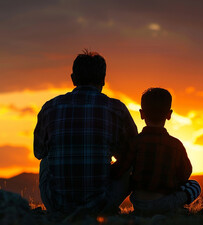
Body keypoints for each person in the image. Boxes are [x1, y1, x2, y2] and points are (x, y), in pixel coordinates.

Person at [34, 50, 138, 216]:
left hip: (57, 205)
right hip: (102, 205)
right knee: (131, 161)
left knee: (46, 159)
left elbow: (38, 152)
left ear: (73, 79)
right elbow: (133, 151)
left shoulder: (50, 107)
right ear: (103, 79)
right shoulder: (116, 109)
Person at [111, 88, 201, 216]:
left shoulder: (135, 143)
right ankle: (173, 209)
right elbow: (185, 173)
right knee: (194, 185)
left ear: (142, 114)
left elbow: (120, 170)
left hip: (138, 203)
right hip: (164, 203)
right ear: (169, 115)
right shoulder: (176, 145)